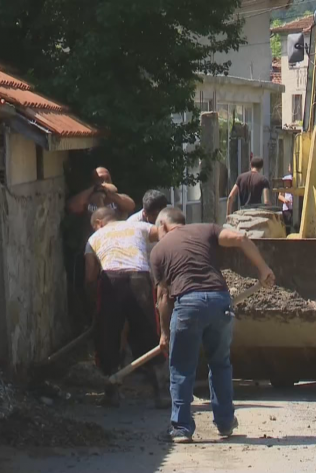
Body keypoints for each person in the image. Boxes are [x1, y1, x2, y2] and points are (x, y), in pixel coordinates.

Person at [151, 207, 276, 443]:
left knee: (181, 368)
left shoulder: (159, 250)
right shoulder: (204, 229)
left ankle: (181, 428)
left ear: (164, 225)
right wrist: (264, 270)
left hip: (187, 305)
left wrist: (165, 332)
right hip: (220, 301)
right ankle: (225, 423)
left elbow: (163, 297)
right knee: (220, 364)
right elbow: (241, 237)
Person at [84, 207, 169, 408]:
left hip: (111, 280)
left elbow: (89, 276)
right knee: (148, 332)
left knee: (108, 334)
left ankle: (111, 392)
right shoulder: (137, 226)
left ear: (98, 223)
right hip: (139, 276)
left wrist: (94, 305)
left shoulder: (94, 238)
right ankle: (160, 392)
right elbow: (164, 232)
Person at [67, 167, 136, 217]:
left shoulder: (116, 197)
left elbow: (131, 206)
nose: (104, 182)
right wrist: (95, 189)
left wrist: (110, 194)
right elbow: (71, 206)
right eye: (100, 179)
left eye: (107, 179)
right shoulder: (87, 199)